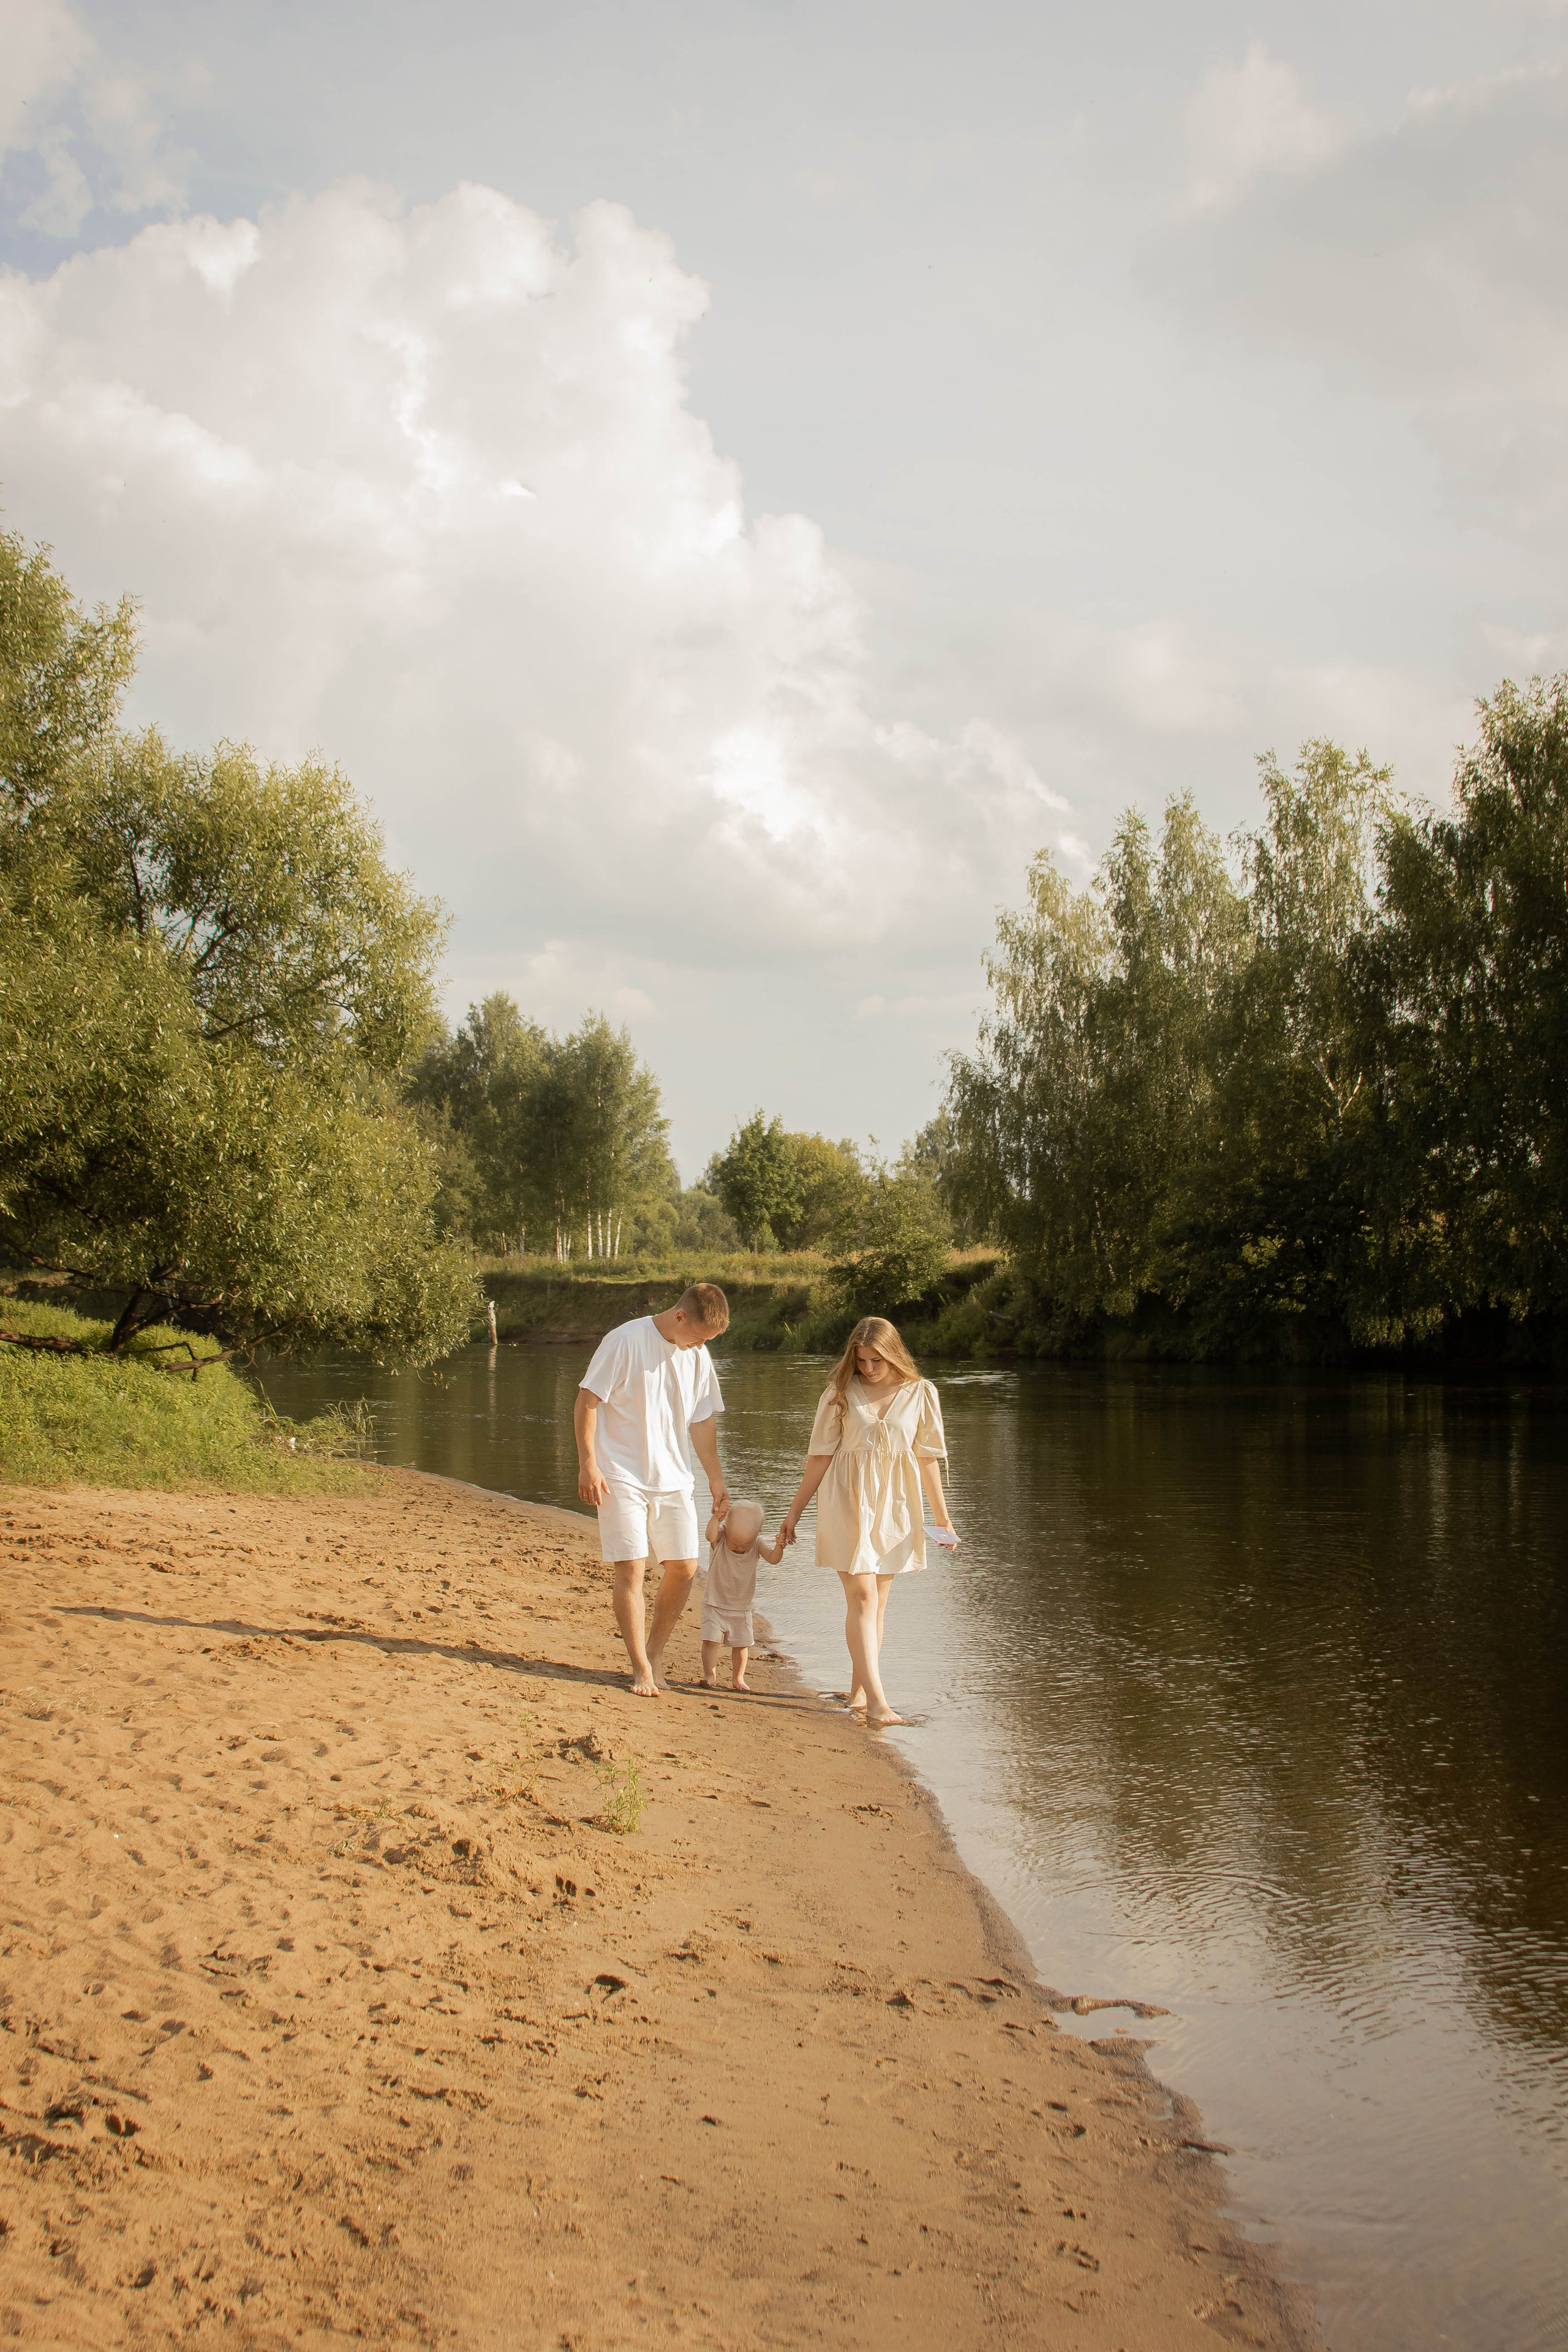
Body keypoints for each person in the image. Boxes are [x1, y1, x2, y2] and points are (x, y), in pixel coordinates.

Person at [779, 1316, 956, 1727]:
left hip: (895, 1505)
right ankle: (878, 1703)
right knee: (861, 1597)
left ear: (893, 1353)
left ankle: (858, 1694)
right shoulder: (839, 1392)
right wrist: (794, 1512)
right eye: (861, 1361)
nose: (869, 1368)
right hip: (846, 1498)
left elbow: (926, 1459)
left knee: (878, 1604)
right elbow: (820, 1456)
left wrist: (943, 1520)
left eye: (876, 1360)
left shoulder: (920, 1393)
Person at [574, 1283, 731, 1697]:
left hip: (674, 1477)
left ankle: (655, 1652)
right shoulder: (624, 1341)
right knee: (632, 1567)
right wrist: (588, 1463)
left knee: (685, 1567)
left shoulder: (697, 1354)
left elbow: (701, 1420)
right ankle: (640, 1667)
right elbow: (587, 1401)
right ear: (680, 1317)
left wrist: (715, 1477)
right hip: (619, 1472)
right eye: (698, 1337)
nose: (699, 1346)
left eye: (706, 1342)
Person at [700, 1498, 786, 1694]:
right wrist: (717, 1518)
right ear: (726, 1530)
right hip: (714, 1603)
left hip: (742, 1607)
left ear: (758, 1533)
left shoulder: (757, 1543)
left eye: (743, 1546)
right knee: (710, 1641)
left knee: (741, 1646)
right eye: (735, 1545)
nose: (739, 1549)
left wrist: (779, 1547)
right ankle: (710, 1674)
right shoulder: (721, 1537)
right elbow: (709, 1535)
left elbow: (773, 1560)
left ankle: (738, 1678)